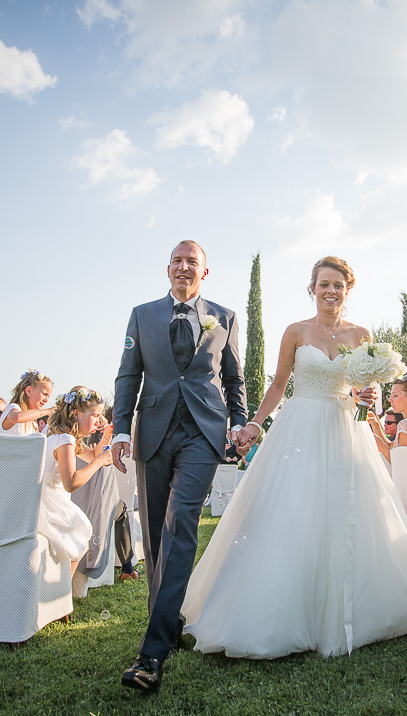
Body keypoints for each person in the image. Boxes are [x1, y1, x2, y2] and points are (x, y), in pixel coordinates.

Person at [182, 255, 407, 662]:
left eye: (338, 285)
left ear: (347, 290)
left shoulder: (361, 334)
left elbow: (363, 391)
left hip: (344, 429)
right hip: (300, 424)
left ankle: (354, 608)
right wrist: (255, 423)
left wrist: (367, 395)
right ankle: (282, 610)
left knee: (349, 513)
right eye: (324, 284)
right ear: (313, 288)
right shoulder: (296, 331)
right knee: (292, 509)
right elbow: (279, 385)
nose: (331, 291)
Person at [112, 240, 248, 692]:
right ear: (167, 269)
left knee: (181, 525)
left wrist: (239, 422)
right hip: (152, 431)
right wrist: (120, 430)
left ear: (204, 273)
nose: (184, 267)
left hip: (202, 433)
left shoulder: (225, 317)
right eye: (177, 260)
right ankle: (167, 625)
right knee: (154, 536)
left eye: (192, 262)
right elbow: (128, 374)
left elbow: (234, 377)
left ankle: (150, 655)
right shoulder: (142, 315)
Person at [38, 388, 105, 577]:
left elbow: (92, 455)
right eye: (95, 416)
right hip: (50, 503)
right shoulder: (65, 439)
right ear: (76, 414)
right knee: (81, 528)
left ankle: (62, 585)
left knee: (80, 530)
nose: (98, 421)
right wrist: (99, 462)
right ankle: (63, 588)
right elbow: (71, 483)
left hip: (47, 499)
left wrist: (107, 434)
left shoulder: (57, 434)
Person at [0, 370, 53, 436]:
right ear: (29, 390)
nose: (46, 400)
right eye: (44, 394)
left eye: (48, 397)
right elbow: (16, 417)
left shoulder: (33, 421)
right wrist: (48, 411)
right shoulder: (13, 408)